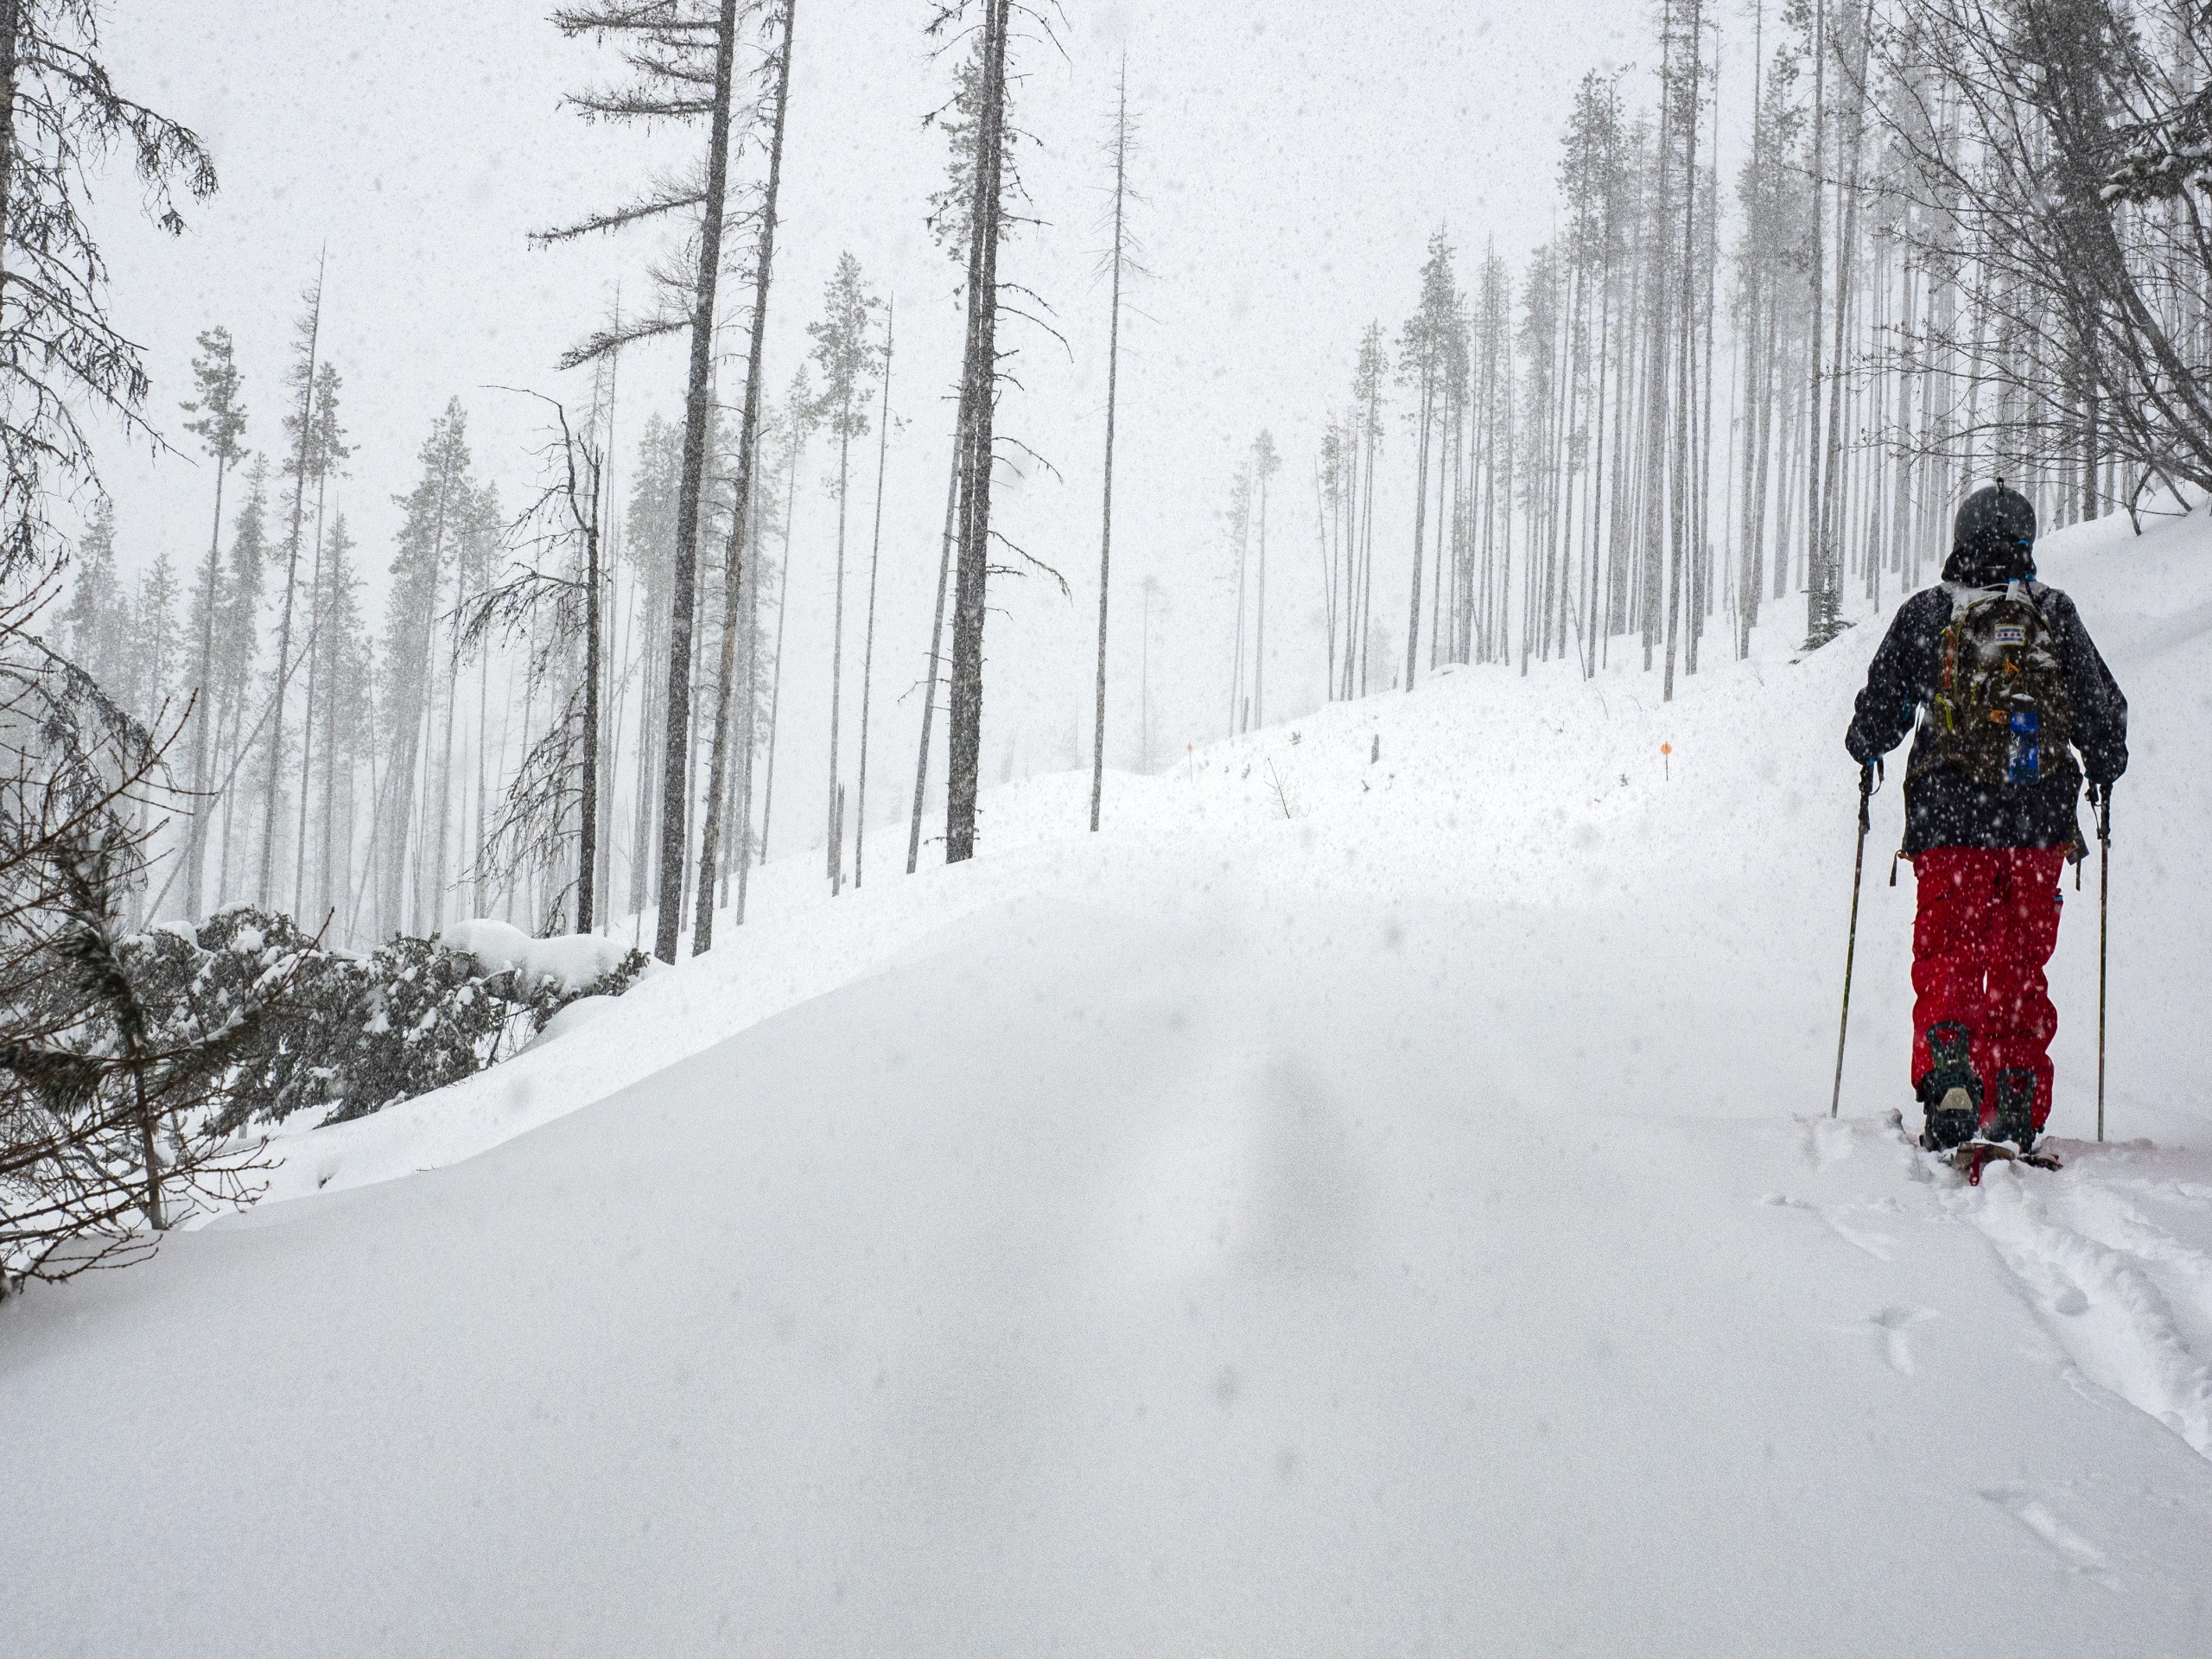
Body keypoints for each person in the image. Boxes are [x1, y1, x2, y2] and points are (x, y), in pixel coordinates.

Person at [1845, 481, 2127, 1153]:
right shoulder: (2053, 613)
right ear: (2027, 540)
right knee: (2021, 961)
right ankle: (2018, 1089)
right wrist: (2104, 766)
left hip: (1950, 822)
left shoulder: (1928, 614)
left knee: (1948, 954)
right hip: (2038, 823)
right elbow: (2102, 713)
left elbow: (1878, 714)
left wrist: (1866, 747)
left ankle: (1951, 1074)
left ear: (1961, 536)